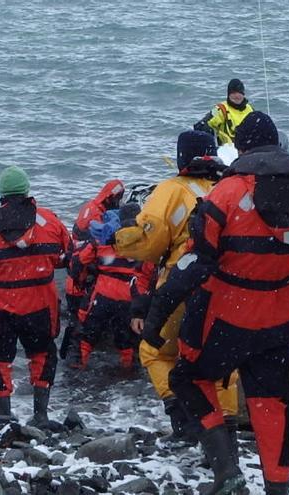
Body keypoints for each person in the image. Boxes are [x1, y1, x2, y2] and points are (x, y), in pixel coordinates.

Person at [144, 112, 289, 495]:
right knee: (271, 403)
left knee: (188, 377)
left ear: (243, 148)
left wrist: (155, 316)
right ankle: (277, 488)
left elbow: (193, 264)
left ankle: (226, 471)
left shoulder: (227, 194)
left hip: (224, 317)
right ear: (279, 147)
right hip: (280, 322)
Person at [114, 130, 240, 444]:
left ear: (182, 157)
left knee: (155, 350)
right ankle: (226, 430)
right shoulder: (229, 188)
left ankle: (183, 419)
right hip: (227, 287)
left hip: (183, 284)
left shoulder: (171, 190)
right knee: (220, 356)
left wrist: (121, 238)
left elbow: (148, 244)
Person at [0, 166, 71, 425]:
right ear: (26, 190)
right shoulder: (50, 221)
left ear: (2, 194)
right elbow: (69, 254)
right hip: (41, 304)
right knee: (43, 354)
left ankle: (4, 416)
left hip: (1, 307)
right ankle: (40, 415)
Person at [69, 203, 151, 370]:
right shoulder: (148, 242)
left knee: (86, 336)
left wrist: (79, 282)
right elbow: (152, 272)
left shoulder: (103, 239)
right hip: (131, 297)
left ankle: (78, 371)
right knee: (127, 341)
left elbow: (78, 262)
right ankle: (127, 375)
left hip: (102, 295)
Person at [61, 180, 125, 359]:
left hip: (76, 277)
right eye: (118, 198)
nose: (118, 202)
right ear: (110, 197)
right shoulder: (98, 217)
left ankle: (78, 357)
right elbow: (93, 251)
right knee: (82, 326)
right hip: (82, 282)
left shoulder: (90, 207)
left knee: (81, 323)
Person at [194, 78, 255, 145]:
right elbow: (201, 125)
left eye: (239, 92)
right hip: (228, 150)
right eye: (233, 93)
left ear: (243, 94)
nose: (237, 96)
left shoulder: (250, 109)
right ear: (228, 94)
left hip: (249, 148)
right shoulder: (221, 109)